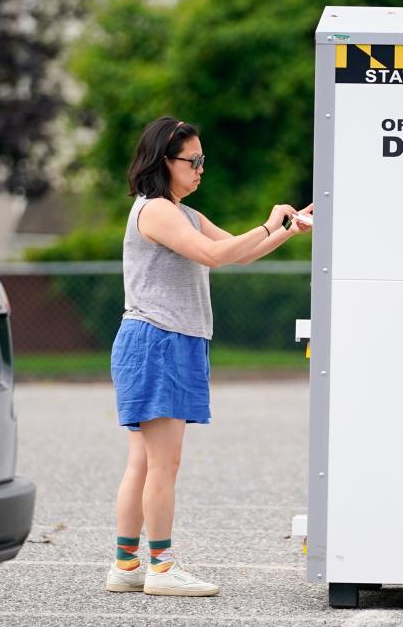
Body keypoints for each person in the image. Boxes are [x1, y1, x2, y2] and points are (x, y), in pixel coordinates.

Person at [104, 117, 312, 597]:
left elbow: (237, 252)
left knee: (145, 460)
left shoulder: (184, 214)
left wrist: (287, 228)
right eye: (192, 161)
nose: (201, 169)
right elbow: (212, 257)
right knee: (162, 464)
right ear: (164, 161)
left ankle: (126, 565)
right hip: (157, 340)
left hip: (167, 341)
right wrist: (267, 221)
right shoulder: (155, 210)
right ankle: (160, 568)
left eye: (203, 160)